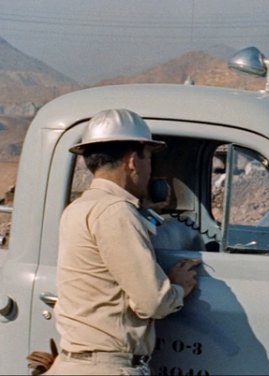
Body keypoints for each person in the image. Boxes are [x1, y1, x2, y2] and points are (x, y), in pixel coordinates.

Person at [47, 108, 200, 375]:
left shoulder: (80, 208)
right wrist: (179, 287)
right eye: (148, 158)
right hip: (106, 367)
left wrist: (141, 210)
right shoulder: (116, 212)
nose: (150, 169)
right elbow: (153, 301)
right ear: (132, 161)